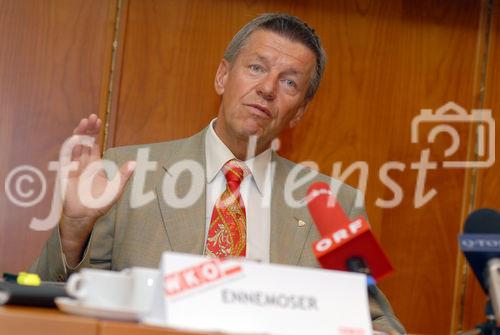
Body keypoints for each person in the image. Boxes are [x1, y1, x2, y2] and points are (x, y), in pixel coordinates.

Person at [31, 13, 405, 333]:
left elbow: (379, 322)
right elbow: (47, 304)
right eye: (256, 68)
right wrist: (73, 231)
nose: (268, 88)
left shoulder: (336, 204)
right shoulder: (125, 175)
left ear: (301, 111)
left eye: (289, 81)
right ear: (223, 76)